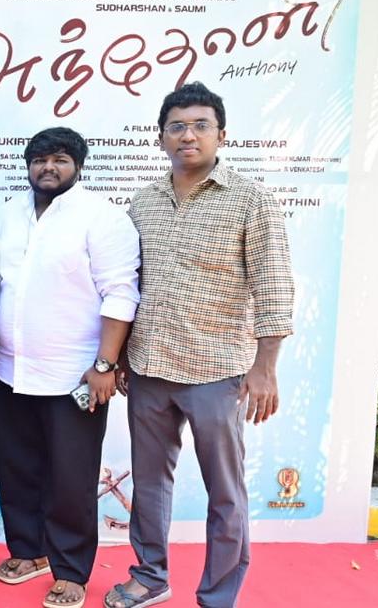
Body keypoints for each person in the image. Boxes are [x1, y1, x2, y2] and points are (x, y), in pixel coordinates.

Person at [104, 82, 295, 608]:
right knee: (149, 485)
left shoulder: (251, 200)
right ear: (161, 137)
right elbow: (130, 283)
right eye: (177, 127)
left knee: (225, 492)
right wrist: (120, 357)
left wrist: (265, 368)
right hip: (149, 368)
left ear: (221, 135)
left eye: (200, 126)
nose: (188, 135)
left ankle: (218, 594)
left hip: (218, 370)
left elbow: (274, 287)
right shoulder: (143, 202)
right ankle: (149, 576)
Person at [0, 127, 140, 608]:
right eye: (39, 159)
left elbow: (120, 293)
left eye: (59, 159)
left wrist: (105, 364)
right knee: (17, 467)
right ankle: (28, 552)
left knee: (71, 478)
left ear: (78, 165)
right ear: (27, 165)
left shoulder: (102, 217)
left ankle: (71, 571)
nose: (48, 168)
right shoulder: (6, 214)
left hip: (75, 375)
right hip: (11, 370)